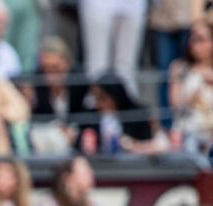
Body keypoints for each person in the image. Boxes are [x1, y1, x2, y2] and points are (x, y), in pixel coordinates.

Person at [25, 36, 89, 154]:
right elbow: (37, 117)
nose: (51, 74)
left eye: (55, 68)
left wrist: (72, 130)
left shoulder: (80, 79)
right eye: (46, 68)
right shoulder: (36, 81)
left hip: (76, 132)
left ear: (66, 63)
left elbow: (86, 113)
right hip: (48, 135)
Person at [78, 0, 147, 98]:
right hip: (98, 5)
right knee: (97, 66)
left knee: (127, 69)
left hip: (133, 5)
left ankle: (127, 107)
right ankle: (96, 106)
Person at [80, 72, 163, 154]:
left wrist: (130, 144)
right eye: (96, 98)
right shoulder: (90, 117)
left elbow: (155, 144)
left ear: (115, 95)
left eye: (102, 98)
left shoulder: (138, 115)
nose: (98, 104)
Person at [36, 155, 118, 206]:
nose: (91, 174)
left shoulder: (93, 204)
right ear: (67, 178)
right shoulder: (48, 204)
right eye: (85, 172)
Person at [169, 21, 213, 153]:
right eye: (192, 38)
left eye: (201, 39)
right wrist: (198, 82)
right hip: (188, 131)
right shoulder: (179, 67)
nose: (196, 44)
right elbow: (175, 106)